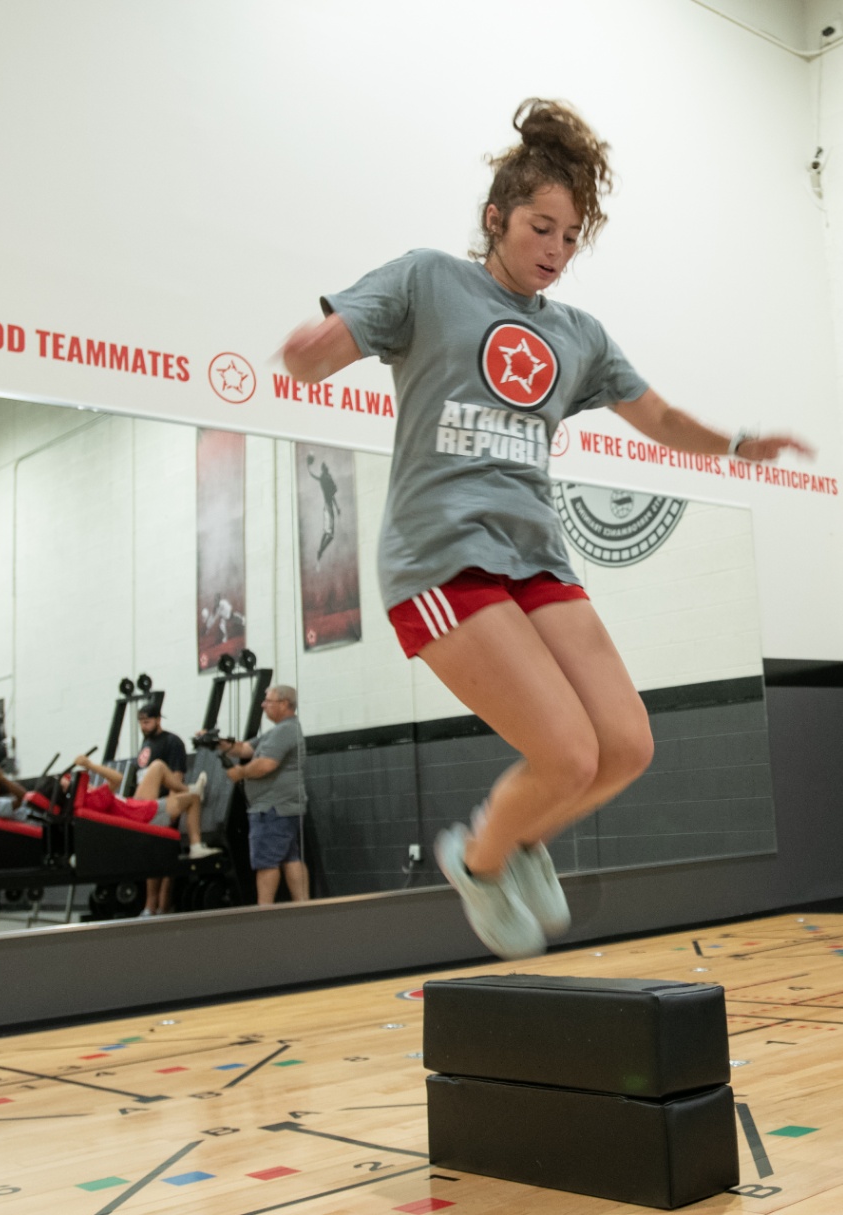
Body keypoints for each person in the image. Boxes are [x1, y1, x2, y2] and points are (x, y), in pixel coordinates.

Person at [278, 99, 811, 959]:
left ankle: (517, 838)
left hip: (535, 557)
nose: (555, 252)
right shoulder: (429, 280)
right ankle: (480, 860)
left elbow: (662, 417)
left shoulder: (578, 335)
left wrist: (739, 444)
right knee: (564, 753)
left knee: (626, 746)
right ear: (496, 219)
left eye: (570, 237)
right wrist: (309, 352)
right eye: (540, 228)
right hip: (441, 560)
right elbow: (329, 349)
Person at [217, 684, 308, 905]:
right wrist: (217, 743)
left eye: (268, 700)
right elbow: (245, 749)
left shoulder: (286, 730)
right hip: (280, 807)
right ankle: (304, 906)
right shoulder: (278, 730)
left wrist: (240, 772)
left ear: (284, 704)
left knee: (266, 862)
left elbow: (266, 765)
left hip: (273, 808)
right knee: (290, 858)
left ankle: (264, 912)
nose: (263, 704)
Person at [68, 753, 215, 859]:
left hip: (133, 806)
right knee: (193, 799)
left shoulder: (86, 799)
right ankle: (196, 846)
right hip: (144, 816)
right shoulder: (92, 801)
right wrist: (90, 765)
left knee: (157, 766)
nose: (89, 784)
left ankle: (189, 789)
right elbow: (117, 778)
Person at [135, 700, 194, 916]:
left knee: (166, 857)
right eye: (141, 722)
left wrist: (172, 812)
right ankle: (150, 906)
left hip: (164, 805)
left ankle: (163, 905)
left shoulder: (172, 742)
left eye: (147, 721)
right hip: (149, 805)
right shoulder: (146, 744)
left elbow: (177, 778)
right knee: (152, 858)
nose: (143, 726)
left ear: (158, 719)